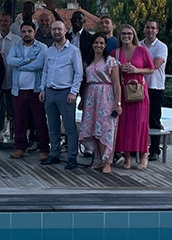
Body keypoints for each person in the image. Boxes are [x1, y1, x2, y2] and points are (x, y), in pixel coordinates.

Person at [40, 20, 83, 170]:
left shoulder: (73, 51)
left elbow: (78, 73)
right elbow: (45, 71)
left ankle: (72, 157)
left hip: (66, 93)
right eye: (54, 29)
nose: (56, 32)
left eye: (59, 29)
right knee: (52, 126)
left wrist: (73, 92)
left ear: (65, 31)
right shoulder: (49, 50)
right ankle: (54, 153)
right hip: (50, 91)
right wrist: (42, 89)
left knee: (70, 127)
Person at [112, 24, 155, 171]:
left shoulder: (142, 50)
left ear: (134, 35)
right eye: (124, 33)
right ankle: (127, 156)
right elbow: (110, 71)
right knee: (124, 124)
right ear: (120, 36)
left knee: (140, 123)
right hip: (123, 92)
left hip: (139, 91)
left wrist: (136, 70)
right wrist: (120, 70)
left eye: (129, 34)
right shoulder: (115, 52)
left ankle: (143, 155)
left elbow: (151, 69)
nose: (126, 36)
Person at [79, 33, 122, 174]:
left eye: (102, 43)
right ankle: (100, 159)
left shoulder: (111, 61)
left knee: (106, 127)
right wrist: (83, 99)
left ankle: (108, 160)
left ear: (105, 45)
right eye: (96, 43)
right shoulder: (88, 61)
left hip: (106, 96)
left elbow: (116, 83)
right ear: (92, 44)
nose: (99, 45)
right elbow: (85, 82)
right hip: (91, 96)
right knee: (93, 127)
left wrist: (118, 103)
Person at [7, 22, 50, 161]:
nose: (27, 34)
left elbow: (39, 64)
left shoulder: (42, 47)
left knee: (39, 120)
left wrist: (20, 64)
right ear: (20, 33)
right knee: (20, 120)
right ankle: (20, 147)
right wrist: (27, 61)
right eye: (24, 31)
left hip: (36, 90)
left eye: (29, 31)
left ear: (35, 32)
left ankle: (44, 149)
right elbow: (9, 61)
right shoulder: (16, 46)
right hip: (18, 90)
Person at [0, 13, 21, 146]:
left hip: (11, 80)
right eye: (1, 20)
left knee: (14, 111)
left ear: (10, 23)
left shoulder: (17, 41)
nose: (3, 23)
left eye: (6, 21)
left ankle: (17, 138)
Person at [141, 19, 168, 161]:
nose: (150, 30)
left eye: (153, 28)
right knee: (139, 118)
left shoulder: (161, 47)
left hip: (155, 87)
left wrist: (137, 67)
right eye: (147, 27)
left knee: (154, 119)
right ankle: (139, 147)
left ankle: (155, 149)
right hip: (139, 87)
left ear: (157, 30)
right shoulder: (138, 45)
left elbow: (155, 65)